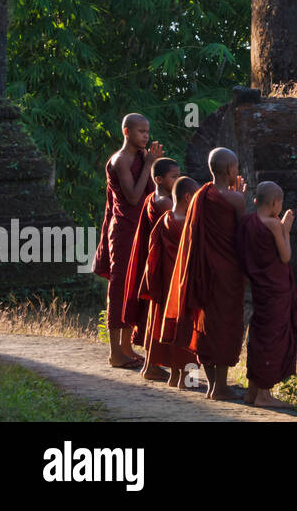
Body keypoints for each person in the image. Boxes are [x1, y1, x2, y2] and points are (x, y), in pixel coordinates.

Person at [164, 147, 246, 400]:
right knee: (225, 325)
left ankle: (212, 385)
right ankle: (220, 387)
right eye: (236, 168)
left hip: (203, 271)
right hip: (227, 272)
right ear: (231, 170)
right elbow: (241, 235)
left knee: (206, 325)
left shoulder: (200, 195)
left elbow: (194, 235)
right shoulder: (235, 200)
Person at [237, 182, 297, 408]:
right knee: (272, 338)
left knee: (259, 334)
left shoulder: (246, 222)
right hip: (276, 289)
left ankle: (252, 391)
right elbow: (285, 255)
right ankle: (264, 394)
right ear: (274, 203)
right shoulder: (274, 224)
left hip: (259, 287)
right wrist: (286, 228)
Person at [102, 114, 161, 368]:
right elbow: (134, 197)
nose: (146, 136)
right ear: (127, 131)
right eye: (140, 131)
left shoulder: (140, 158)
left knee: (133, 287)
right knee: (119, 289)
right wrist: (149, 164)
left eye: (147, 131)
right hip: (124, 231)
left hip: (141, 230)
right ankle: (116, 352)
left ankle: (127, 347)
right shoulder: (120, 160)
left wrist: (152, 165)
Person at [141, 176, 198, 390]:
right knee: (184, 329)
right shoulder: (187, 225)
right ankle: (187, 380)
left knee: (169, 327)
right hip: (182, 287)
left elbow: (152, 256)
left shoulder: (165, 219)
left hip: (165, 287)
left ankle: (175, 377)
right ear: (187, 197)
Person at [123, 157, 177, 380]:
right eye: (174, 176)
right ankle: (153, 366)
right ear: (159, 179)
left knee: (153, 313)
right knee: (160, 315)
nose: (178, 179)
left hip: (155, 263)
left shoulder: (151, 198)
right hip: (164, 265)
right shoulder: (165, 202)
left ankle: (150, 364)